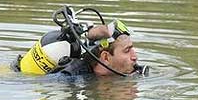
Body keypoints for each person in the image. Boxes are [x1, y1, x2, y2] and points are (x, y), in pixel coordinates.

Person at [13, 7, 145, 77]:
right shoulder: (71, 75)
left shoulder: (131, 71)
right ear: (105, 57)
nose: (135, 56)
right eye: (127, 50)